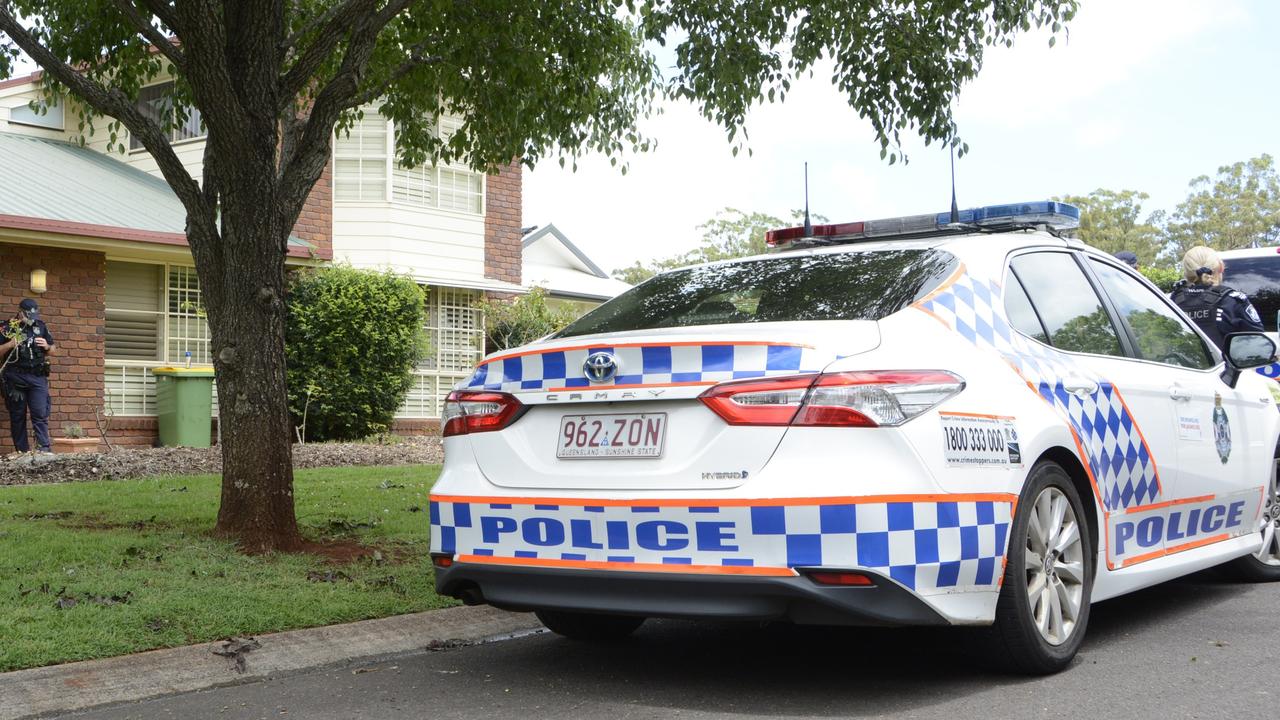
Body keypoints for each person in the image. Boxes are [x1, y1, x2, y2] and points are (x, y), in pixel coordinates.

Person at [1170, 246, 1263, 352]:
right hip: (1223, 368)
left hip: (1180, 367)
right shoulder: (1233, 301)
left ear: (1186, 272)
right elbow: (1258, 344)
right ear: (1221, 268)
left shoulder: (1172, 301)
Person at [0, 299, 56, 455]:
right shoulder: (7, 327)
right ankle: (22, 452)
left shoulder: (40, 326)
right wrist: (10, 344)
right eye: (27, 315)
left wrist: (47, 346)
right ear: (20, 311)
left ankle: (44, 449)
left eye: (33, 314)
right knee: (17, 416)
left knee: (40, 413)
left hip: (37, 376)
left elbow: (53, 350)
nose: (31, 317)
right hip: (15, 377)